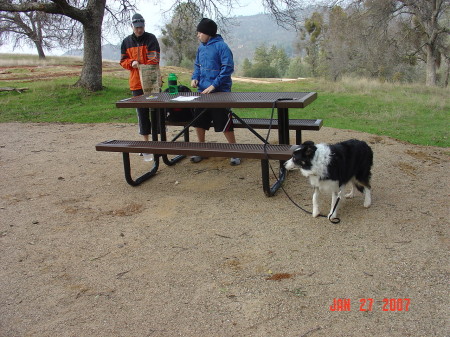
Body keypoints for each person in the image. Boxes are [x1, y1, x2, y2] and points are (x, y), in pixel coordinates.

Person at [190, 18, 240, 166]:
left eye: (200, 32)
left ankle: (234, 152)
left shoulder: (222, 47)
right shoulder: (201, 48)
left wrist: (214, 85)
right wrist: (194, 78)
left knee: (224, 122)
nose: (198, 35)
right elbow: (197, 65)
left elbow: (228, 68)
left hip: (221, 92)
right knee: (199, 121)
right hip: (202, 92)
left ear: (208, 33)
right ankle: (201, 149)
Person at [120, 13, 160, 157]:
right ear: (132, 26)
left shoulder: (151, 39)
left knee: (156, 112)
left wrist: (142, 66)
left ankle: (158, 143)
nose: (139, 30)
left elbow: (154, 59)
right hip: (136, 83)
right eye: (137, 28)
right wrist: (131, 63)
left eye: (141, 27)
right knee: (142, 114)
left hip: (152, 83)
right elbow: (123, 61)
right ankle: (146, 143)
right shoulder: (126, 42)